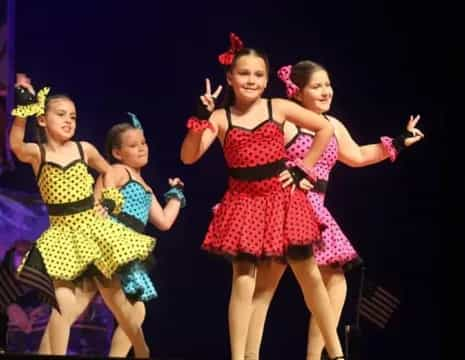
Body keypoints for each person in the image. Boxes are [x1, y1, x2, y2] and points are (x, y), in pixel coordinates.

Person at [244, 60, 424, 359]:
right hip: (288, 207)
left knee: (336, 280)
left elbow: (356, 156)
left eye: (328, 84)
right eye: (316, 86)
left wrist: (400, 142)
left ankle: (316, 357)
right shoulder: (288, 123)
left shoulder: (332, 124)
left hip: (317, 210)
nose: (326, 91)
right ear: (297, 92)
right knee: (265, 287)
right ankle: (247, 356)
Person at [180, 33, 345, 360]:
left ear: (267, 79)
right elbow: (188, 157)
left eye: (258, 74)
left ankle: (337, 353)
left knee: (309, 275)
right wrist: (198, 120)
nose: (251, 80)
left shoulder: (278, 107)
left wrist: (304, 168)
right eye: (244, 73)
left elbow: (325, 130)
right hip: (244, 203)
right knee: (243, 280)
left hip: (284, 199)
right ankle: (240, 357)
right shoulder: (221, 118)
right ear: (230, 77)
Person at [9, 73, 155, 358]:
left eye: (73, 116)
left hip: (92, 230)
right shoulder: (38, 154)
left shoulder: (83, 148)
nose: (68, 121)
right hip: (62, 235)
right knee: (62, 303)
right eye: (61, 115)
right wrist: (23, 112)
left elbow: (109, 170)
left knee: (118, 302)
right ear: (42, 120)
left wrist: (110, 199)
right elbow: (16, 145)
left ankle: (142, 349)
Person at [96, 112, 185, 357]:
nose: (141, 148)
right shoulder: (118, 170)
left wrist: (176, 194)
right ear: (117, 152)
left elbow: (164, 221)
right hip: (114, 242)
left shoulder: (145, 187)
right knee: (131, 310)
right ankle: (142, 351)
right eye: (133, 145)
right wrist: (101, 211)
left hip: (132, 248)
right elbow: (101, 196)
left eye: (143, 143)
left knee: (135, 311)